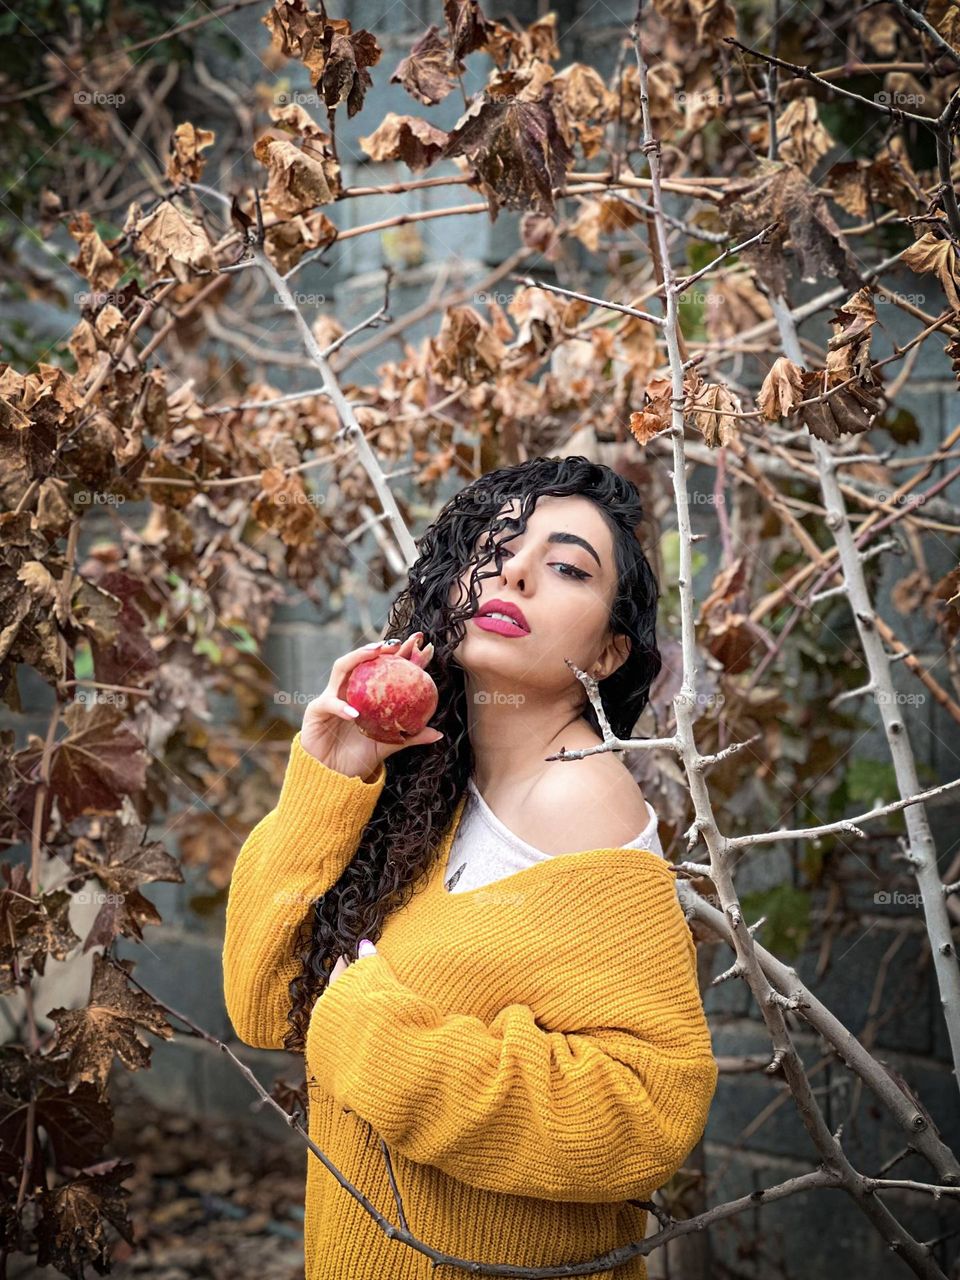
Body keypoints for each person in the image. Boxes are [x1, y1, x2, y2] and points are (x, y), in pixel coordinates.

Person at [222, 456, 718, 1280]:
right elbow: (264, 1001)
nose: (516, 570)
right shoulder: (432, 791)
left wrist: (379, 1037)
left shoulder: (583, 803)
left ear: (606, 653)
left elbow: (643, 1118)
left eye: (566, 567)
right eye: (497, 544)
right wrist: (332, 778)